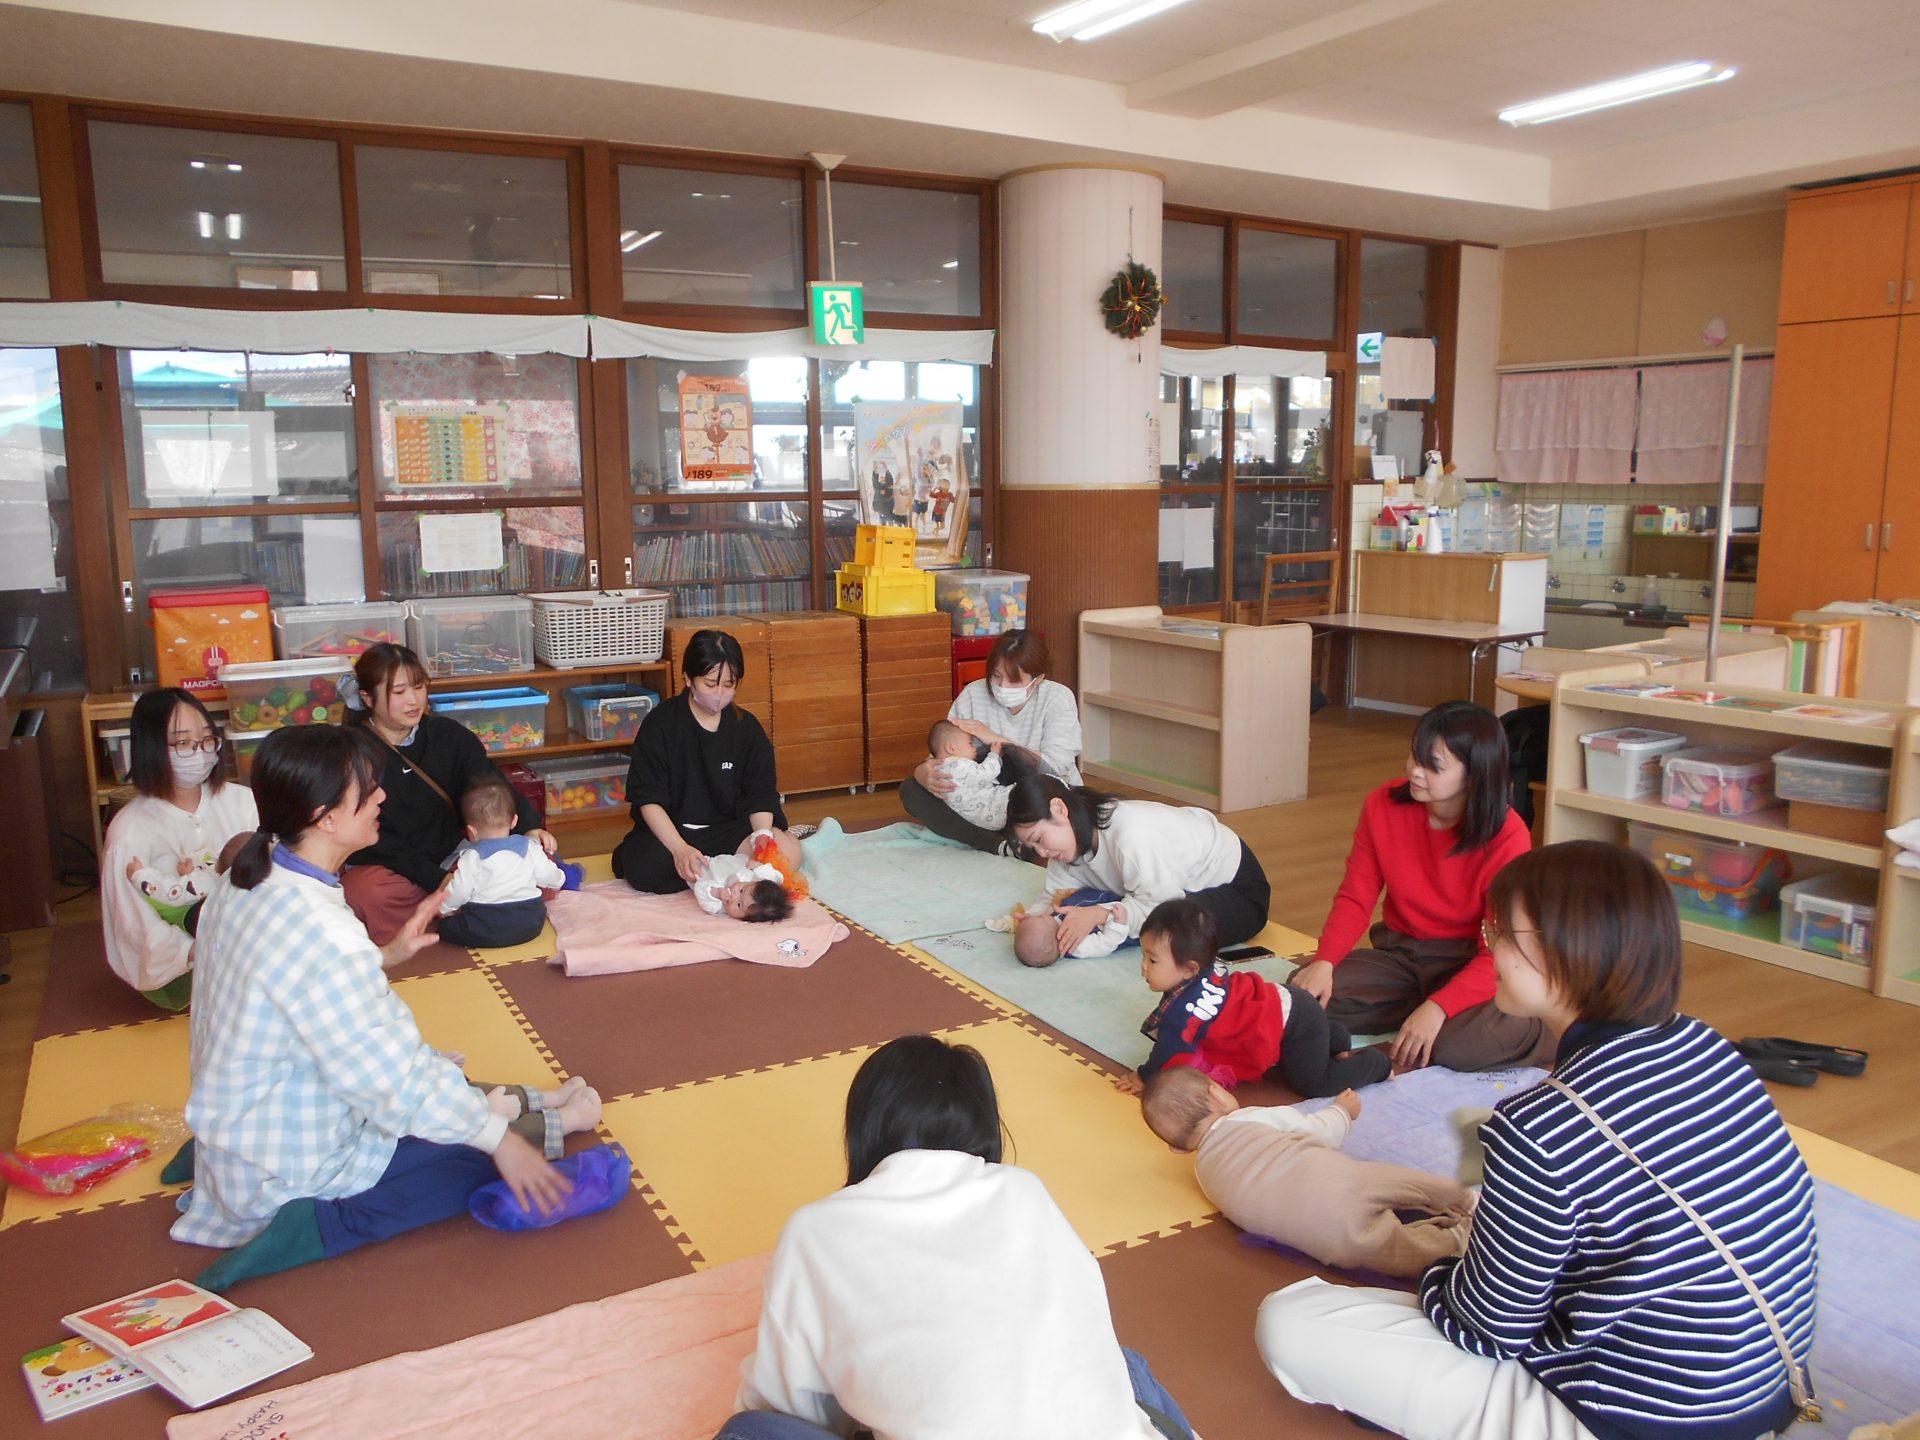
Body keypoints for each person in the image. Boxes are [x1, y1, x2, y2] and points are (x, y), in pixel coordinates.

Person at [1256, 841, 1820, 1440]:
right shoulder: (1708, 1048)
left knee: (1290, 1322)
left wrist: (1439, 1273)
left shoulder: (1539, 1126)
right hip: (1765, 1387)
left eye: (1501, 932)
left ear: (1572, 949)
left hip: (1643, 1419)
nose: (1490, 946)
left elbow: (1485, 1329)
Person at [173, 725, 599, 1292]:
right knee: (471, 1157)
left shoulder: (254, 872)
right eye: (368, 790)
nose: (382, 797)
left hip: (245, 1128)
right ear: (326, 817)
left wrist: (384, 955)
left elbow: (292, 987)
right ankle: (309, 1229)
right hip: (287, 1169)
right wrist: (503, 1145)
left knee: (441, 1089)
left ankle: (527, 1106)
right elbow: (391, 1074)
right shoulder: (322, 930)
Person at [717, 1034, 1194, 1439]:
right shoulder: (1024, 1190)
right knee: (1123, 1364)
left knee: (752, 1427)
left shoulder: (816, 1229)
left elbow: (788, 1399)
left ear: (865, 1128)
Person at [1292, 701, 1543, 1074]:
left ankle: (1542, 1026)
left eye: (1433, 766)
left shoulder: (1508, 836)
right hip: (1401, 955)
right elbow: (1355, 897)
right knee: (1301, 996)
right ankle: (1425, 1010)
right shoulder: (1382, 805)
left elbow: (1497, 950)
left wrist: (1439, 1007)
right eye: (1415, 755)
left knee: (1455, 1047)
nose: (1414, 770)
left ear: (1473, 777)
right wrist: (1324, 961)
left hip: (1473, 960)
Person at [1141, 1069, 1474, 1279]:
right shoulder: (1249, 1117)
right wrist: (1342, 1111)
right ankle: (1463, 1198)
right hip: (1345, 1186)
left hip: (1334, 1246)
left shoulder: (1203, 1174)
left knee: (1405, 1252)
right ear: (1218, 1094)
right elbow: (1319, 1131)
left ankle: (1459, 1241)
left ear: (1178, 1149)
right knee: (1401, 1184)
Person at [339, 643, 555, 945]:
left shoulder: (448, 735)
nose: (413, 700)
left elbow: (491, 786)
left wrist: (529, 827)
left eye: (419, 687)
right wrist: (435, 879)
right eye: (399, 692)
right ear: (366, 697)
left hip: (456, 857)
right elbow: (372, 842)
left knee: (536, 858)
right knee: (364, 892)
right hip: (394, 865)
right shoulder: (351, 751)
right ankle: (471, 904)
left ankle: (452, 907)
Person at [1122, 898, 1389, 1098]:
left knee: (1314, 1085)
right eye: (1144, 955)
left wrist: (1144, 1076)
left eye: (1152, 960)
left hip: (1296, 1025)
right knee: (1301, 1053)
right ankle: (1335, 1038)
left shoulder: (1182, 1013)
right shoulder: (1204, 966)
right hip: (1288, 1003)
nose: (1143, 966)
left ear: (1190, 969)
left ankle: (1375, 1064)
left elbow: (1169, 1051)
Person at [100, 688, 258, 1009]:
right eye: (183, 743)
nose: (200, 752)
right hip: (183, 971)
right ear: (151, 748)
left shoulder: (243, 802)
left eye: (207, 739)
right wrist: (196, 951)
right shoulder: (129, 831)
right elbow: (132, 923)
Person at [613, 629, 796, 893]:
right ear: (688, 678)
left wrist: (762, 835)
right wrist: (679, 849)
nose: (719, 694)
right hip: (675, 832)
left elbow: (760, 795)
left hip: (728, 831)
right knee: (644, 866)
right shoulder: (661, 724)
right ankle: (731, 875)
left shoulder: (747, 729)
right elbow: (648, 799)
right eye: (710, 684)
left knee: (786, 852)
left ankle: (716, 875)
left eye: (728, 685)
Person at [1005, 774, 1272, 952]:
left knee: (1168, 934)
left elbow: (1165, 906)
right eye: (1033, 847)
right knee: (1073, 911)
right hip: (1171, 891)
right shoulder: (1064, 847)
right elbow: (1054, 896)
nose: (1042, 852)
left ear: (1059, 809)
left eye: (1038, 839)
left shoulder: (1129, 835)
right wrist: (1034, 920)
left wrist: (1100, 914)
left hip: (1237, 891)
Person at [901, 629, 1082, 855]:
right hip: (985, 798)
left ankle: (1006, 834)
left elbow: (1056, 768)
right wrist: (923, 772)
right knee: (910, 789)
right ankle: (998, 843)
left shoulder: (1058, 698)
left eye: (1014, 680)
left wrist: (996, 739)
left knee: (1013, 760)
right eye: (996, 676)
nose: (1003, 686)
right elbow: (946, 751)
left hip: (1039, 793)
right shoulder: (973, 694)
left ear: (1038, 679)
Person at [438, 777, 569, 950]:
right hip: (530, 923)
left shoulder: (472, 856)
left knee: (445, 928)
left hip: (485, 925)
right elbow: (548, 874)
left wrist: (444, 909)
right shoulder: (529, 846)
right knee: (539, 909)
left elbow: (460, 890)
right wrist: (559, 880)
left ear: (471, 831)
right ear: (514, 821)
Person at [924, 719, 1044, 834]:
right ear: (951, 747)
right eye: (970, 743)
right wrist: (994, 754)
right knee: (1024, 791)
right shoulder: (959, 765)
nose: (974, 748)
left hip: (980, 818)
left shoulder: (937, 769)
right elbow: (987, 773)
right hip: (993, 809)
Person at [690, 827, 800, 923]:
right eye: (742, 890)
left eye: (738, 905)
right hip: (731, 854)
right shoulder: (757, 882)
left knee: (692, 864)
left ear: (744, 919)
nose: (734, 896)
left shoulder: (718, 906)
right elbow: (776, 877)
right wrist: (759, 866)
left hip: (702, 864)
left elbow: (700, 887)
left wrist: (716, 892)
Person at [1007, 886, 1132, 966]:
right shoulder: (1077, 947)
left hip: (1099, 897)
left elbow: (1046, 914)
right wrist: (1118, 924)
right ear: (1057, 938)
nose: (1041, 916)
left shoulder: (1053, 924)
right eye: (1040, 918)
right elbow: (1105, 944)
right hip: (1123, 920)